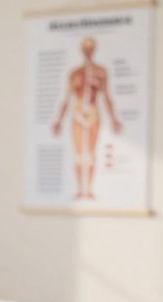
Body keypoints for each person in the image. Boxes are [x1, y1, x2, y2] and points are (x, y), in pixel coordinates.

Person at [52, 37, 122, 200]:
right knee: (78, 154)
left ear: (94, 50)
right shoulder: (75, 73)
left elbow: (106, 96)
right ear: (82, 50)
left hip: (93, 112)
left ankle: (89, 189)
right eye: (86, 48)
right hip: (77, 112)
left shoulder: (100, 72)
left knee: (91, 153)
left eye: (91, 48)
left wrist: (113, 118)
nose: (88, 51)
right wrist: (59, 120)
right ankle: (79, 189)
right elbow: (67, 98)